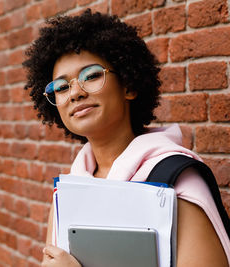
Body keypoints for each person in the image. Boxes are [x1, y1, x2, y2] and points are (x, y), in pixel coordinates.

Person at [22, 10, 230, 267]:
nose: (75, 93)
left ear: (129, 86)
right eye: (61, 87)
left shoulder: (174, 180)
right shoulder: (67, 192)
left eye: (92, 75)